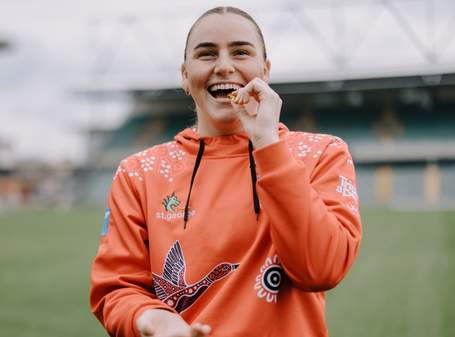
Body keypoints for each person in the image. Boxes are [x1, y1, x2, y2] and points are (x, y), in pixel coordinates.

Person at [90, 6, 362, 337]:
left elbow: (321, 268)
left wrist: (267, 143)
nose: (223, 66)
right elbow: (116, 289)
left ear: (266, 70)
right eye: (206, 54)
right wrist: (154, 320)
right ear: (185, 75)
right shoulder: (138, 173)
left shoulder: (322, 154)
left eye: (240, 52)